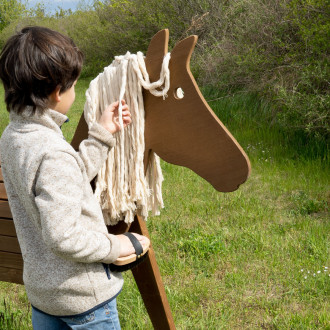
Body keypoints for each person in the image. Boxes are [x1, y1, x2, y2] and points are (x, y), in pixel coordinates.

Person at [0, 26, 149, 329]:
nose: (74, 93)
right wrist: (115, 245)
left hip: (44, 298)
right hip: (84, 303)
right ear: (57, 92)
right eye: (73, 86)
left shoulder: (14, 136)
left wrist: (101, 136)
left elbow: (65, 180)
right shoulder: (53, 153)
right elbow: (63, 236)